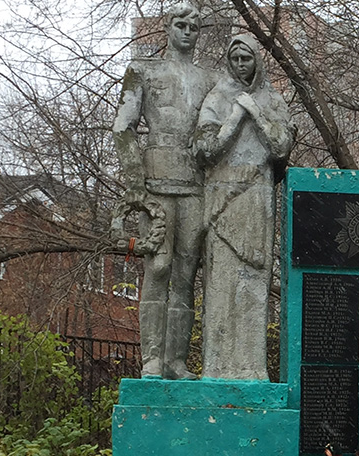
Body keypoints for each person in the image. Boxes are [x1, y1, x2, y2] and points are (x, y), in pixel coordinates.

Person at [113, 1, 214, 379]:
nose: (187, 32)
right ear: (167, 28)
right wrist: (135, 181)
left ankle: (176, 361)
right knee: (159, 267)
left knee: (186, 275)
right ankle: (152, 359)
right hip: (155, 182)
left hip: (195, 184)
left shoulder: (211, 80)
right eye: (180, 25)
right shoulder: (142, 70)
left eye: (194, 27)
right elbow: (123, 128)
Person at [195, 34, 294, 380]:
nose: (240, 64)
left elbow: (281, 148)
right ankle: (217, 367)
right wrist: (235, 117)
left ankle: (252, 368)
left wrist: (257, 113)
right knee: (221, 285)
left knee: (253, 281)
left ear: (257, 61)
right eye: (235, 58)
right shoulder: (217, 97)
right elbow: (205, 150)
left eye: (246, 58)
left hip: (256, 198)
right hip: (221, 202)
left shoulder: (273, 100)